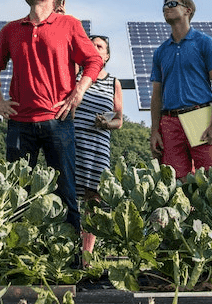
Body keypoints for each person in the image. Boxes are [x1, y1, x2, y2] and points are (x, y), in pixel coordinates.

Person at [0, 0, 103, 233]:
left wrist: (79, 91)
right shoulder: (11, 30)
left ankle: (70, 263)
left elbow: (94, 60)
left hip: (57, 122)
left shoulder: (69, 24)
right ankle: (19, 259)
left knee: (66, 191)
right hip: (19, 123)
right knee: (15, 193)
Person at [149, 0, 212, 179]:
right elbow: (156, 96)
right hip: (169, 122)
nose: (166, 9)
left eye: (172, 4)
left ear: (187, 10)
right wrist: (154, 131)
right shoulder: (160, 52)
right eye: (164, 6)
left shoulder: (205, 43)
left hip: (201, 117)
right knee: (176, 183)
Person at [74, 34, 123, 257]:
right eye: (91, 44)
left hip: (98, 146)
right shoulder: (75, 75)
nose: (94, 48)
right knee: (69, 195)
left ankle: (87, 254)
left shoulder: (113, 83)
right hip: (73, 141)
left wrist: (107, 123)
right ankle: (67, 249)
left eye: (99, 46)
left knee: (93, 200)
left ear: (107, 55)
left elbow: (119, 120)